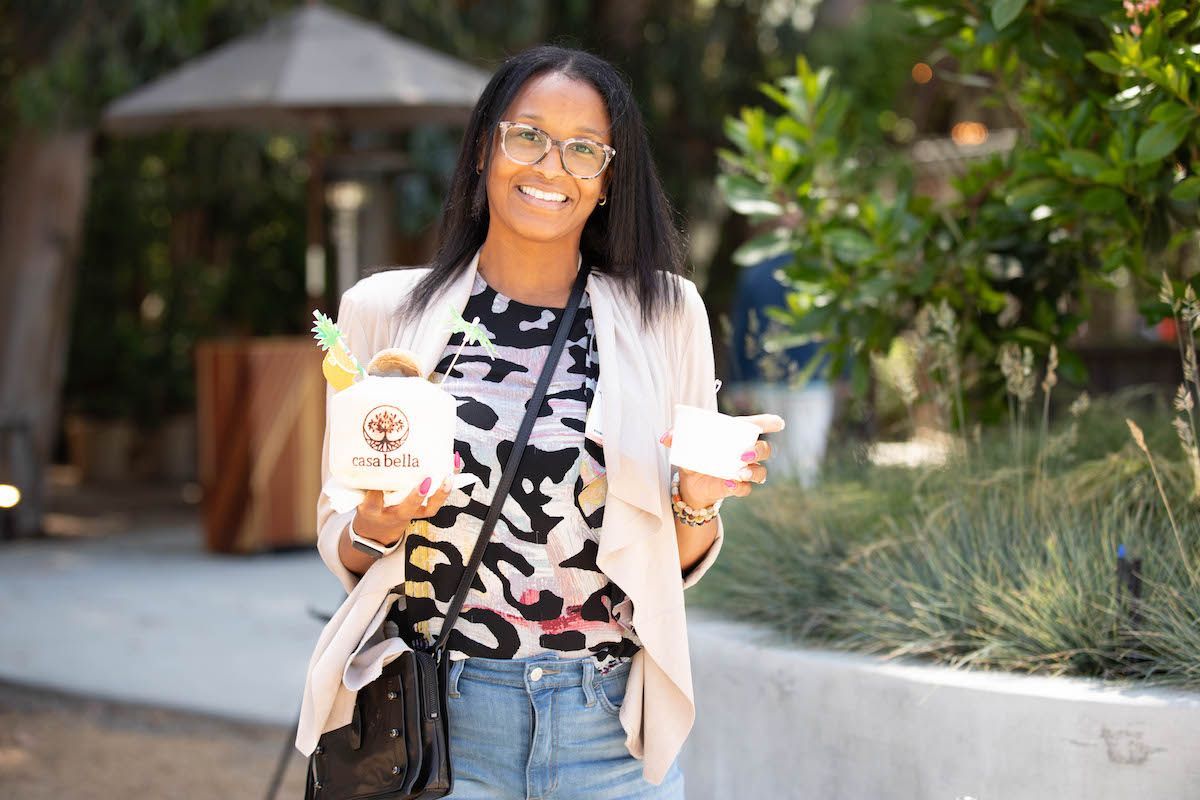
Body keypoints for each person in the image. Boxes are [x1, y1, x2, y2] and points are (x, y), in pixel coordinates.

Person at [296, 45, 783, 799]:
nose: (550, 167)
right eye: (528, 136)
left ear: (608, 178)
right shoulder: (383, 314)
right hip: (442, 726)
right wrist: (379, 524)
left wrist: (696, 497)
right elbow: (343, 541)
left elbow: (672, 569)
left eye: (583, 149)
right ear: (487, 145)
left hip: (609, 729)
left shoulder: (665, 316)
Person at [728, 253, 835, 487]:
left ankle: (785, 511)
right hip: (810, 379)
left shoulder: (756, 272)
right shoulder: (822, 270)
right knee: (805, 462)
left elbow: (741, 332)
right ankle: (795, 513)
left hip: (772, 379)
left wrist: (739, 382)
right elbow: (839, 326)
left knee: (777, 461)